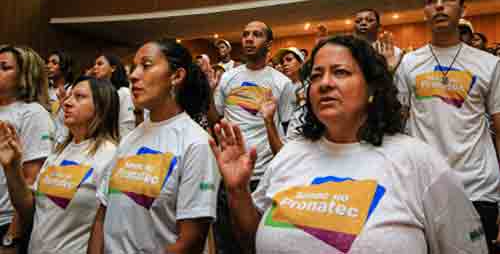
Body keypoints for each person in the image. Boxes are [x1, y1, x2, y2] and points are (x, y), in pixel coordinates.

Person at [210, 35, 488, 254]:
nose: (325, 83)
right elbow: (252, 242)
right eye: (316, 75)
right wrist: (238, 192)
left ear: (371, 89)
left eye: (340, 72)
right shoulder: (291, 154)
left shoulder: (418, 161)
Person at [395, 0, 500, 253]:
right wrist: (387, 74)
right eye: (431, 1)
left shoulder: (490, 64)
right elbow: (396, 124)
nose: (439, 6)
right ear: (425, 12)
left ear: (463, 10)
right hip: (425, 186)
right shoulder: (408, 63)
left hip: (478, 186)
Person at [88, 39, 220, 254]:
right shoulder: (130, 139)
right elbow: (102, 216)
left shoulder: (196, 143)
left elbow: (190, 241)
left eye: (146, 65)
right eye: (135, 66)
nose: (133, 75)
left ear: (176, 76)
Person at [0, 76, 118, 254]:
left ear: (102, 106)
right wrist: (12, 167)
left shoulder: (110, 155)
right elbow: (29, 209)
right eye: (69, 97)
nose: (67, 103)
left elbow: (107, 226)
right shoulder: (59, 150)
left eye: (79, 97)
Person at [211, 21, 290, 254]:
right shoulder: (228, 78)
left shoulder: (281, 83)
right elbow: (217, 117)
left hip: (262, 174)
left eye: (256, 35)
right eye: (245, 34)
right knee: (226, 242)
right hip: (228, 173)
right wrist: (208, 93)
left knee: (256, 243)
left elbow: (285, 133)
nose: (248, 38)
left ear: (268, 43)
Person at [0, 45, 54, 251]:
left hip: (6, 222)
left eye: (4, 67)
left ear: (24, 75)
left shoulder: (32, 114)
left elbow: (31, 183)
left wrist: (12, 237)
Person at [93, 54, 135, 138]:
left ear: (113, 68)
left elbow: (127, 125)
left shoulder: (123, 92)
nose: (95, 67)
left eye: (100, 64)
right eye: (94, 64)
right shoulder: (97, 93)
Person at [46, 50, 75, 144]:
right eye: (48, 62)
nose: (48, 66)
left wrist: (63, 102)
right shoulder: (45, 90)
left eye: (54, 63)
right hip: (45, 138)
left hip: (63, 141)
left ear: (65, 67)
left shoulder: (72, 90)